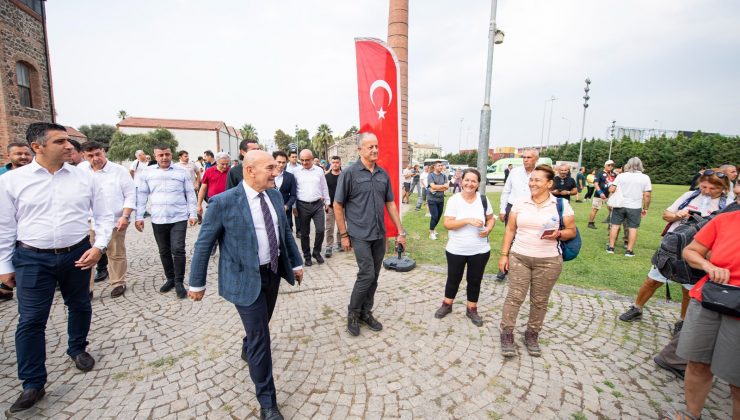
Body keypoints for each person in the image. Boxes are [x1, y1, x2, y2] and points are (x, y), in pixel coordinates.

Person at [0, 123, 113, 415]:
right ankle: (33, 383)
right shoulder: (12, 181)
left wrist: (99, 246)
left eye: (68, 140)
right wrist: (4, 266)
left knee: (79, 304)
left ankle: (77, 348)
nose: (68, 146)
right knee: (31, 320)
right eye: (60, 141)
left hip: (77, 253)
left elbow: (103, 216)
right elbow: (4, 227)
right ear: (37, 146)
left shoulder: (83, 178)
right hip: (32, 258)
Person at [188, 150, 303, 420]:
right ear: (250, 170)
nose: (276, 173)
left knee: (259, 328)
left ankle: (247, 344)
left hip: (272, 273)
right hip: (243, 279)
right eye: (270, 168)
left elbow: (284, 232)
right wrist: (196, 283)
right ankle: (268, 403)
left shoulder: (274, 195)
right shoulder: (223, 203)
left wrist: (296, 263)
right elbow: (204, 245)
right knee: (261, 337)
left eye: (276, 168)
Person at [618, 170, 730, 327]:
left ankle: (683, 321)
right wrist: (679, 215)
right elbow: (666, 215)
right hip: (672, 248)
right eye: (704, 187)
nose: (706, 191)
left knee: (688, 289)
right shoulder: (690, 196)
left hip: (700, 253)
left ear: (723, 188)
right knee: (652, 280)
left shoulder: (728, 205)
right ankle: (637, 307)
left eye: (713, 189)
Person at [665, 201, 740, 420]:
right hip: (710, 298)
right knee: (697, 362)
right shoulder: (725, 220)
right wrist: (708, 266)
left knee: (737, 379)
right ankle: (691, 413)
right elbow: (691, 251)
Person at [498, 164, 577, 357]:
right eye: (531, 179)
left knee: (540, 300)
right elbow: (510, 230)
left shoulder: (561, 205)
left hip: (549, 260)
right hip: (520, 256)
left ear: (549, 183)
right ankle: (507, 333)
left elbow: (571, 231)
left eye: (537, 180)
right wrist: (504, 255)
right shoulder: (520, 202)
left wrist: (558, 233)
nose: (532, 183)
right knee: (515, 297)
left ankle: (532, 334)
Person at [333, 132, 406, 337]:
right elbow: (337, 204)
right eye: (370, 147)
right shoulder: (349, 174)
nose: (374, 150)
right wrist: (344, 234)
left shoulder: (382, 174)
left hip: (378, 234)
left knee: (374, 277)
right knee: (366, 274)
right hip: (359, 234)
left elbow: (390, 203)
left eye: (376, 146)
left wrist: (401, 230)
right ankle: (353, 313)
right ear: (360, 150)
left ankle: (366, 312)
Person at [135, 145, 197, 299]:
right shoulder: (147, 172)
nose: (164, 157)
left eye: (167, 154)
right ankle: (170, 278)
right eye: (161, 155)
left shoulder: (181, 171)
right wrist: (139, 216)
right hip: (158, 218)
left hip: (179, 217)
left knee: (178, 249)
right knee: (164, 250)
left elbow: (190, 193)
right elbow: (142, 195)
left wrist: (193, 213)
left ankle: (178, 281)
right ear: (155, 156)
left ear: (171, 155)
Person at [434, 169, 495, 326]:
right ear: (461, 181)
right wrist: (467, 220)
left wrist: (488, 229)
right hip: (456, 249)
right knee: (453, 278)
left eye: (473, 181)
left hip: (480, 250)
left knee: (475, 280)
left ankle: (472, 309)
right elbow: (448, 224)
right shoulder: (454, 200)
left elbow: (490, 219)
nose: (470, 183)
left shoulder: (483, 199)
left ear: (478, 183)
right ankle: (447, 305)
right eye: (467, 180)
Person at [79, 142, 136, 298]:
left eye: (98, 154)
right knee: (86, 254)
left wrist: (125, 216)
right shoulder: (80, 171)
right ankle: (87, 288)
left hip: (115, 220)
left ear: (103, 151)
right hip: (88, 221)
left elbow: (130, 194)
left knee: (116, 252)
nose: (95, 158)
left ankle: (118, 282)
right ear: (84, 156)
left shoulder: (119, 171)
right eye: (90, 156)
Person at [497, 148, 539, 281]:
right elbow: (506, 191)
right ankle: (504, 268)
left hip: (531, 209)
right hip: (513, 208)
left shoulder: (540, 173)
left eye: (529, 157)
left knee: (527, 238)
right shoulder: (514, 172)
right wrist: (503, 209)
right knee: (509, 237)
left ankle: (524, 267)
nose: (525, 160)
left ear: (536, 159)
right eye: (524, 157)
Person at [606, 157, 652, 256]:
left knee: (615, 226)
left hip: (620, 205)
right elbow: (647, 195)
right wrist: (645, 208)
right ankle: (629, 250)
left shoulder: (621, 176)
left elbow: (611, 190)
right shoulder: (645, 177)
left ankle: (611, 247)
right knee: (633, 228)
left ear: (628, 165)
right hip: (635, 207)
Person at [293, 149, 330, 266]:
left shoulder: (319, 171)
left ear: (312, 159)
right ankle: (307, 256)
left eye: (307, 160)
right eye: (302, 160)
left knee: (320, 230)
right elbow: (293, 191)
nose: (304, 162)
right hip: (302, 205)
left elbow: (324, 187)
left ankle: (316, 252)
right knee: (304, 234)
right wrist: (294, 207)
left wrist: (327, 201)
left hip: (317, 205)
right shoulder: (296, 171)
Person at [197, 152, 231, 218]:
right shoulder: (209, 171)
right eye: (222, 164)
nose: (225, 166)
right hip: (213, 203)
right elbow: (203, 189)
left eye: (227, 164)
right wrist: (199, 205)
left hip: (228, 203)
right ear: (217, 162)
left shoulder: (231, 172)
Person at [272, 151, 297, 237]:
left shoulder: (290, 177)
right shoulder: (268, 175)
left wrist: (287, 206)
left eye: (283, 162)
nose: (281, 165)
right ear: (274, 161)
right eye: (279, 162)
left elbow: (293, 195)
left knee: (287, 237)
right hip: (270, 212)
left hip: (286, 213)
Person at [587, 160, 615, 229]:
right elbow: (596, 184)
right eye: (609, 165)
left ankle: (610, 224)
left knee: (612, 209)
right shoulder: (600, 173)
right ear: (605, 165)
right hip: (599, 194)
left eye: (612, 165)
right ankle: (590, 223)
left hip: (610, 195)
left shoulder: (614, 174)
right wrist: (600, 192)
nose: (610, 166)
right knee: (595, 209)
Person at [324, 155, 343, 257]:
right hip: (330, 206)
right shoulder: (326, 177)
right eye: (333, 162)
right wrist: (325, 204)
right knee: (329, 227)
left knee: (341, 225)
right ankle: (329, 246)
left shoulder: (344, 176)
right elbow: (323, 191)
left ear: (340, 163)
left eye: (337, 162)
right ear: (330, 164)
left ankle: (340, 243)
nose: (335, 164)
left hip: (342, 206)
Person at [427, 161, 449, 240]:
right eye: (439, 165)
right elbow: (432, 186)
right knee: (434, 216)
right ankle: (431, 232)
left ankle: (433, 228)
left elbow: (447, 187)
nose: (441, 167)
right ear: (435, 167)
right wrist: (442, 187)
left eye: (441, 165)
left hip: (441, 199)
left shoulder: (444, 176)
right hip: (432, 199)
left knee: (439, 216)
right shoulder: (431, 175)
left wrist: (436, 188)